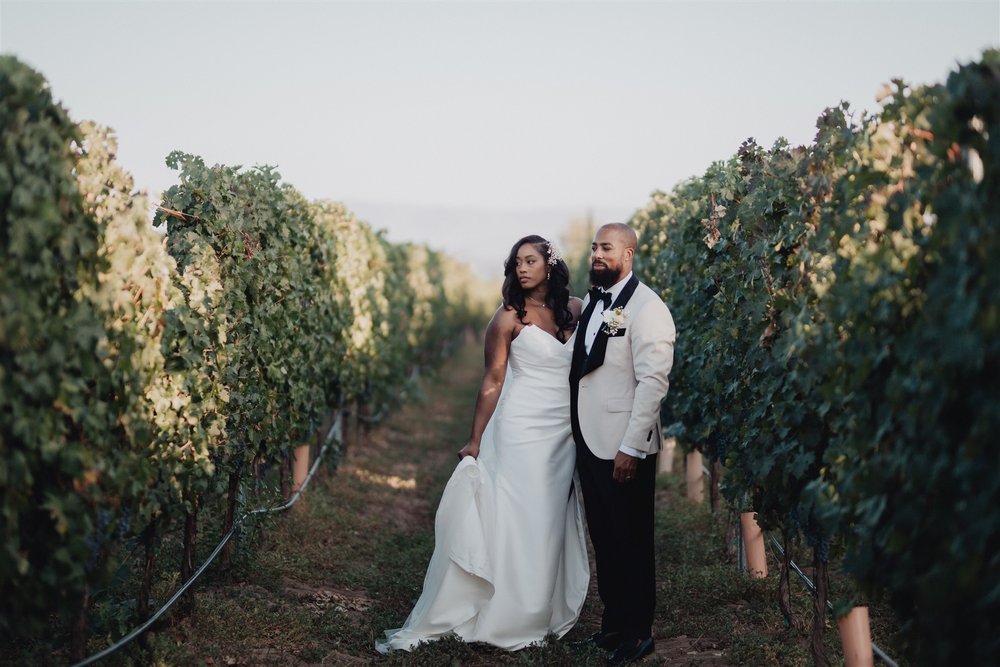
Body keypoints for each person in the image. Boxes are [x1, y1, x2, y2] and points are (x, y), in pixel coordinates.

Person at [376, 235, 590, 654]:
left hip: (562, 432)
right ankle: (505, 611)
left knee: (546, 517)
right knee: (515, 513)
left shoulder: (577, 310)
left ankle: (536, 609)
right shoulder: (508, 318)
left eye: (530, 261)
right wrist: (475, 439)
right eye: (516, 263)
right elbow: (493, 381)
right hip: (518, 428)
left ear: (551, 265)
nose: (522, 269)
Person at [569, 223, 675, 666]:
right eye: (595, 247)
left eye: (606, 248)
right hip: (589, 438)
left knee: (631, 539)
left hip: (622, 445)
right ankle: (613, 625)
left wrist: (631, 447)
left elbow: (652, 382)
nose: (597, 254)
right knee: (605, 537)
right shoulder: (598, 301)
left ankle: (638, 633)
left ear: (628, 254)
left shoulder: (648, 307)